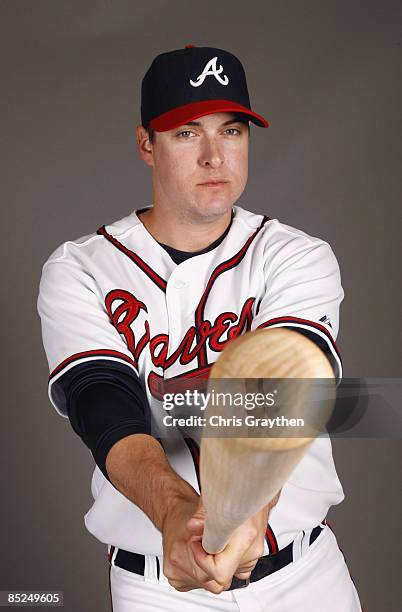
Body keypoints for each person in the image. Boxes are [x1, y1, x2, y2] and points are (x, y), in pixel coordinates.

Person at [37, 45, 362, 611]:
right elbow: (102, 399)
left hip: (304, 580)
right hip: (158, 589)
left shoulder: (297, 257)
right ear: (147, 144)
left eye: (232, 131)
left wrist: (247, 511)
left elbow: (288, 383)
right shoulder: (81, 268)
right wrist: (173, 512)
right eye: (188, 133)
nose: (215, 156)